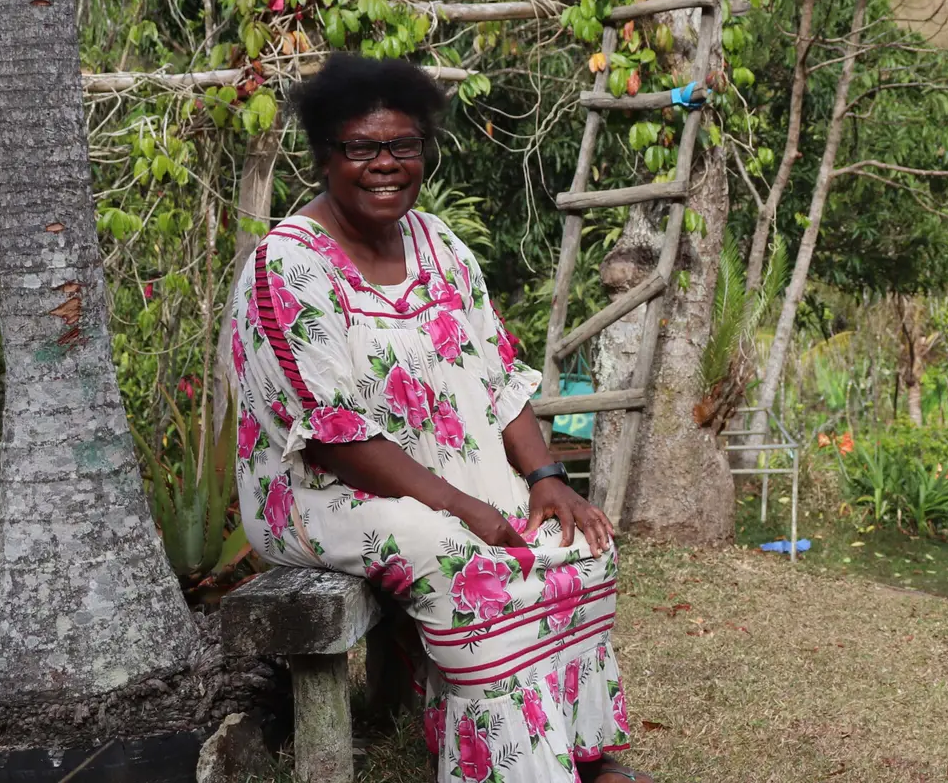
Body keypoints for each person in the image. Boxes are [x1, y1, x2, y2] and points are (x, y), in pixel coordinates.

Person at [229, 53, 650, 783]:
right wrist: (467, 508)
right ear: (326, 156)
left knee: (578, 540)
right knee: (467, 558)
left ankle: (576, 752)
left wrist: (547, 477)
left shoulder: (440, 245)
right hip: (323, 495)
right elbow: (333, 441)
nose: (386, 164)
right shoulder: (289, 267)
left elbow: (496, 374)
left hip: (449, 475)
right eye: (362, 148)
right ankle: (513, 768)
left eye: (404, 146)